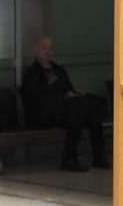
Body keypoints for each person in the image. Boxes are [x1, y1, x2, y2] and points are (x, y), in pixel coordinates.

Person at [21, 37, 109, 171]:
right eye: (44, 49)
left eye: (50, 49)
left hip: (66, 109)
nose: (47, 52)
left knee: (89, 112)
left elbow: (69, 89)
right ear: (36, 51)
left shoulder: (59, 70)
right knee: (80, 113)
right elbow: (34, 98)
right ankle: (87, 157)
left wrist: (71, 94)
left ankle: (79, 158)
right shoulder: (32, 73)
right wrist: (62, 97)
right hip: (47, 111)